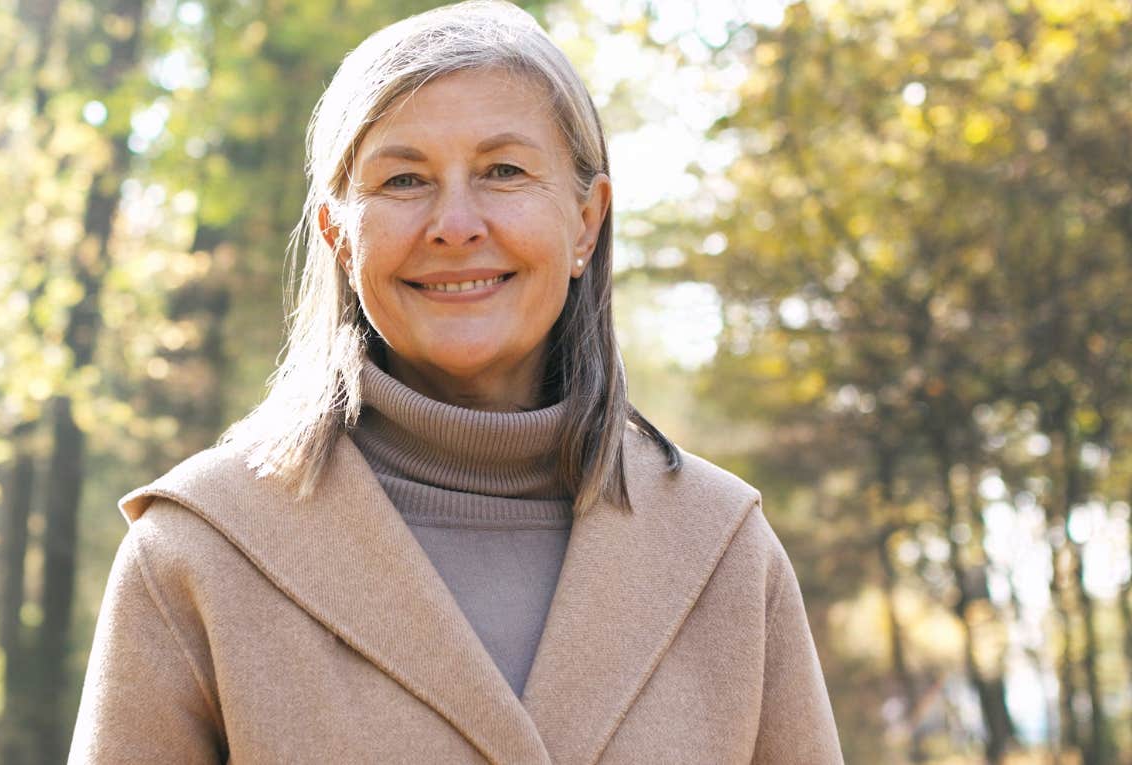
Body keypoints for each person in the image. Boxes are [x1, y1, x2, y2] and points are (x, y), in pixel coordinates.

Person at [68, 2, 842, 763]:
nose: (455, 224)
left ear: (585, 222)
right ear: (339, 234)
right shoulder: (198, 553)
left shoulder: (722, 551)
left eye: (503, 171)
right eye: (404, 180)